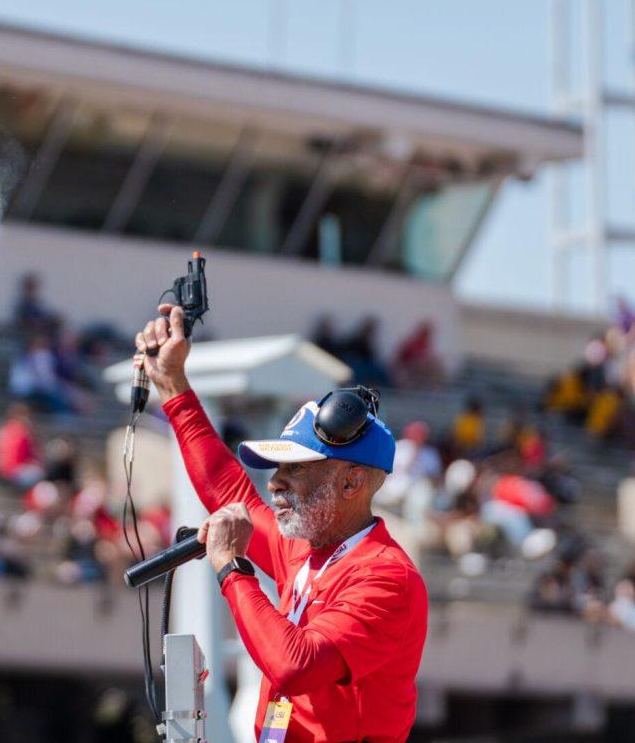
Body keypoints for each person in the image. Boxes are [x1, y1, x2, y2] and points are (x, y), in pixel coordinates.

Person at [136, 303, 427, 743]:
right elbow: (227, 489)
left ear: (352, 482)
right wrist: (172, 385)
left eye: (297, 469)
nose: (275, 484)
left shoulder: (386, 577)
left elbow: (297, 666)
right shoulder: (309, 546)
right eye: (276, 469)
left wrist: (232, 570)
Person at [0, 403, 45, 490]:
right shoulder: (23, 431)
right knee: (41, 473)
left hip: (4, 471)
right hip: (13, 473)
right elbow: (34, 454)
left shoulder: (5, 429)